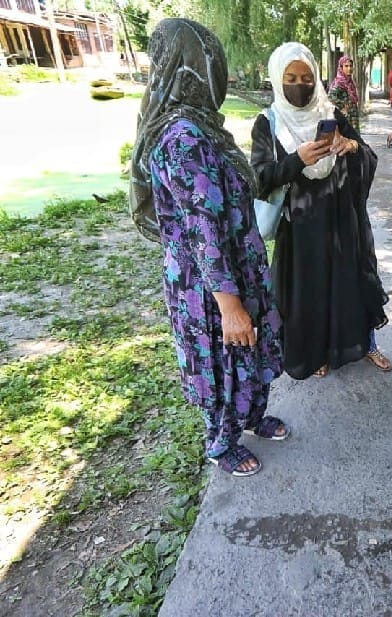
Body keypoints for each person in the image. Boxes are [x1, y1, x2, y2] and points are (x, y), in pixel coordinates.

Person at [129, 18, 287, 478]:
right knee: (224, 360)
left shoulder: (202, 129)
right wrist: (229, 305)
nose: (218, 72)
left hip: (238, 268)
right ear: (191, 68)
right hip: (212, 284)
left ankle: (251, 417)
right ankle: (221, 442)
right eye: (211, 62)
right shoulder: (183, 140)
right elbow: (203, 229)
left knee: (249, 352)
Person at [250, 42, 391, 379]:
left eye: (306, 77)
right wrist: (297, 160)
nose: (300, 85)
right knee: (311, 294)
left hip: (342, 222)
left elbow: (367, 155)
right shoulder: (268, 124)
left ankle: (363, 343)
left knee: (352, 285)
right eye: (291, 78)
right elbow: (259, 178)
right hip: (301, 230)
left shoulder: (330, 114)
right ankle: (319, 352)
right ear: (276, 79)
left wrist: (350, 146)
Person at [328, 55, 361, 130]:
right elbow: (330, 96)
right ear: (341, 67)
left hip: (353, 117)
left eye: (350, 66)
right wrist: (342, 107)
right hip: (346, 118)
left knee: (355, 139)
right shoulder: (339, 82)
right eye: (346, 66)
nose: (349, 68)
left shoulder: (349, 82)